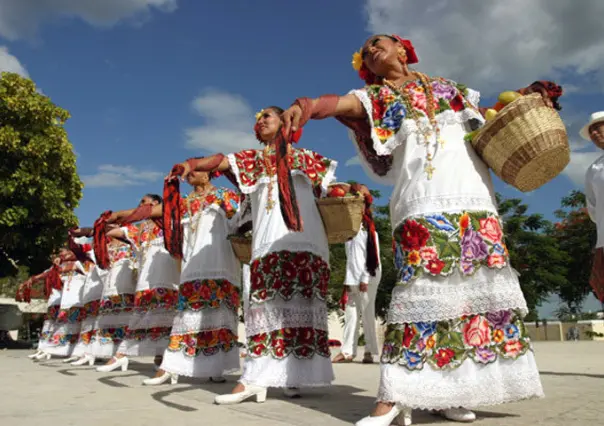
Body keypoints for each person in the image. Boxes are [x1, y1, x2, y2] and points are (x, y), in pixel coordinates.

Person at [280, 35, 559, 425]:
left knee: (470, 301)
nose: (371, 50)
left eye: (378, 43)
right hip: (421, 202)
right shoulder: (376, 98)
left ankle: (451, 392)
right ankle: (394, 397)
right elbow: (337, 105)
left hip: (475, 201)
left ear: (402, 49)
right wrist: (305, 106)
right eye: (366, 52)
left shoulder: (452, 89)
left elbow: (491, 119)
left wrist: (528, 96)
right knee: (420, 294)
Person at [168, 105, 337, 404]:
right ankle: (256, 378)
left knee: (299, 305)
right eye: (257, 121)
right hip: (269, 240)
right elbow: (220, 161)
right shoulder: (252, 160)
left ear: (285, 121)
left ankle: (293, 376)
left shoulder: (309, 158)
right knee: (267, 307)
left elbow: (332, 190)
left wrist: (354, 188)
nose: (259, 123)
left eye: (266, 118)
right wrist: (192, 162)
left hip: (308, 240)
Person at [139, 169, 242, 385]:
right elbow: (160, 212)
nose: (188, 176)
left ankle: (217, 367)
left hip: (219, 259)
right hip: (192, 263)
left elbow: (240, 222)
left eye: (193, 172)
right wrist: (125, 216)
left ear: (206, 176)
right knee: (186, 315)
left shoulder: (226, 195)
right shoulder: (183, 201)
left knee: (218, 313)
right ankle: (171, 366)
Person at [95, 194, 180, 373]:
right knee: (141, 317)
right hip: (146, 279)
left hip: (168, 277)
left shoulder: (170, 219)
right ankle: (123, 354)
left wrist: (119, 215)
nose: (140, 204)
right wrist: (102, 225)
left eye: (144, 201)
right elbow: (113, 232)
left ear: (155, 203)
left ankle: (161, 357)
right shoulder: (139, 228)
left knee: (167, 320)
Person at [333, 187, 381, 364]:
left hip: (368, 277)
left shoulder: (370, 231)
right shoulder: (349, 232)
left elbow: (372, 257)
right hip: (352, 278)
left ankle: (368, 351)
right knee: (350, 314)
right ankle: (347, 352)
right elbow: (351, 259)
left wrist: (365, 279)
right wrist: (348, 281)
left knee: (367, 314)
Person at [582, 111, 604, 303]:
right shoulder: (594, 169)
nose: (595, 134)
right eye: (592, 132)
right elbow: (593, 209)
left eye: (598, 127)